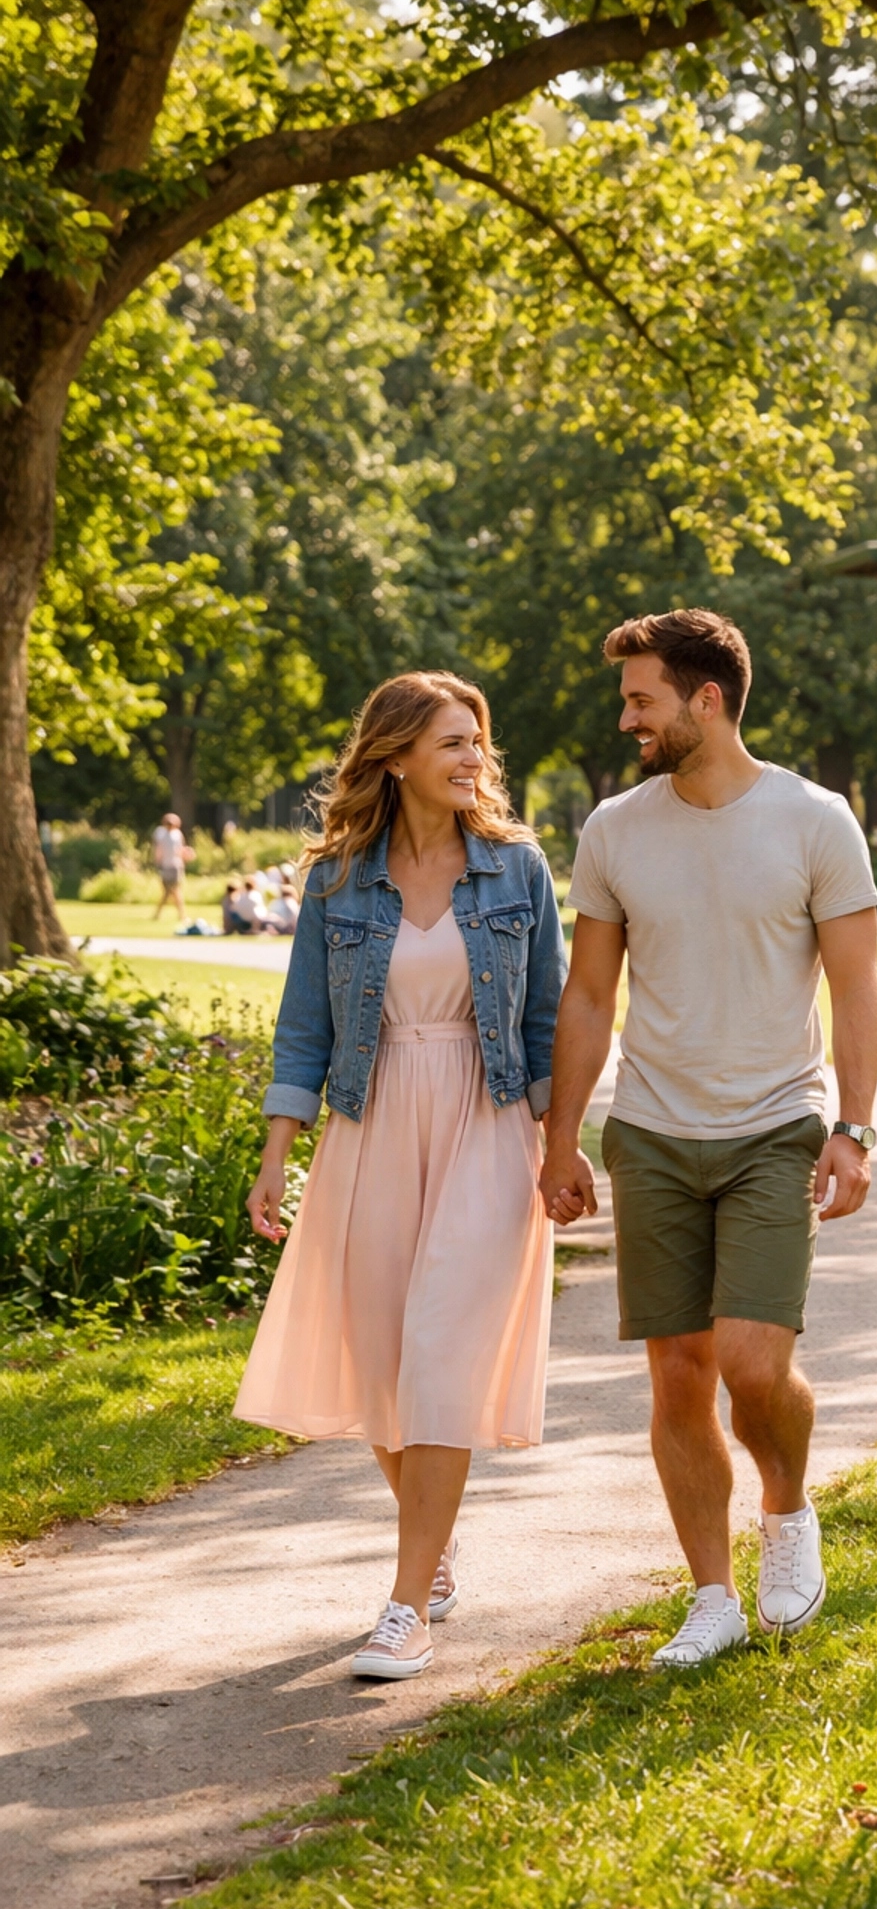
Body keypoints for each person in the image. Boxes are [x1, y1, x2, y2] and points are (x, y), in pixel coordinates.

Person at [539, 608, 877, 1671]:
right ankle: (711, 1596)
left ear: (707, 698)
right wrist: (562, 1137)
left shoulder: (815, 820)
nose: (627, 719)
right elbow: (589, 996)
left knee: (750, 1362)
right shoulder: (614, 830)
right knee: (679, 1374)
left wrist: (854, 1128)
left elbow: (858, 987)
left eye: (642, 699)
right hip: (652, 1131)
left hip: (775, 1125)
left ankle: (786, 1509)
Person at [237, 671, 565, 1681]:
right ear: (396, 759)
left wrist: (566, 1145)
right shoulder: (339, 878)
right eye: (453, 743)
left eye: (478, 741)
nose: (475, 759)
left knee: (441, 1357)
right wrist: (277, 1154)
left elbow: (547, 1022)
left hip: (486, 1118)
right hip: (370, 1125)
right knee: (382, 1363)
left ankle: (405, 1606)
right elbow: (305, 1025)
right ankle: (437, 1542)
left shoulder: (517, 869)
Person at [151, 811, 187, 924]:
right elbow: (157, 849)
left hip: (176, 865)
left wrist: (186, 856)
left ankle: (180, 915)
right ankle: (176, 915)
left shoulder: (178, 834)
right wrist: (157, 862)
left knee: (175, 890)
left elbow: (180, 849)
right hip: (165, 866)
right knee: (167, 891)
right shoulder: (159, 833)